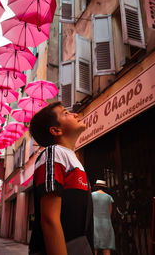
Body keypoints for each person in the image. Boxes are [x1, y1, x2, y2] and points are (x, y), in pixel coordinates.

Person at [29, 101, 94, 255]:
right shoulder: (54, 153)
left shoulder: (73, 158)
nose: (75, 114)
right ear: (56, 130)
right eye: (66, 113)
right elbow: (50, 220)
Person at [91, 180, 115, 255]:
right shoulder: (109, 197)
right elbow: (109, 213)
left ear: (96, 186)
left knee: (94, 248)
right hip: (106, 224)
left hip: (94, 223)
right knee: (106, 249)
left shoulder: (91, 195)